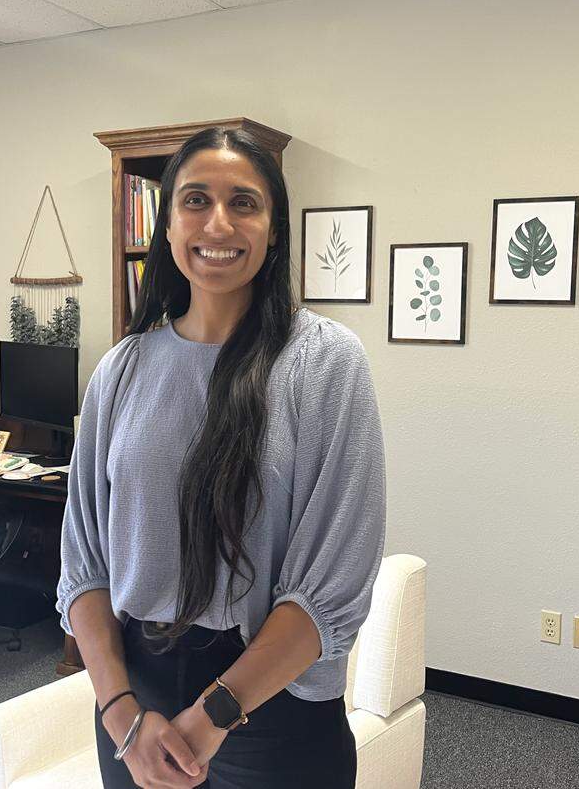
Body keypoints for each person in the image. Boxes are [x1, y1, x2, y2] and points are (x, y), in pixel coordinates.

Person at [56, 126, 387, 789]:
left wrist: (213, 716)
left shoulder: (325, 363)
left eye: (243, 202)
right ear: (168, 225)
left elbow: (333, 584)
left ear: (274, 228)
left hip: (272, 703)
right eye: (196, 200)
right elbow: (85, 564)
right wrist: (120, 712)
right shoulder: (121, 369)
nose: (218, 223)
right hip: (137, 695)